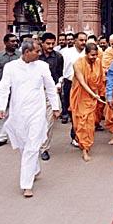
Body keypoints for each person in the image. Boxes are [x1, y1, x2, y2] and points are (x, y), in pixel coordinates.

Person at [0, 39, 60, 197]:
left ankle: (26, 185)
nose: (40, 54)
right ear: (26, 52)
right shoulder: (11, 67)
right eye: (36, 51)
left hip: (37, 112)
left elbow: (50, 87)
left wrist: (56, 107)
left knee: (32, 146)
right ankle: (35, 168)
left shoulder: (42, 67)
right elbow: (4, 88)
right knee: (25, 146)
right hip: (18, 113)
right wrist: (1, 107)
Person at [70, 43, 105, 161]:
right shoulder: (77, 64)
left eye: (96, 55)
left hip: (94, 97)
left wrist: (100, 94)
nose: (94, 57)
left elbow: (100, 79)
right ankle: (84, 149)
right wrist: (93, 94)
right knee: (82, 123)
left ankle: (86, 146)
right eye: (92, 55)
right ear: (86, 53)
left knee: (90, 124)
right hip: (81, 96)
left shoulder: (98, 61)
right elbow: (82, 82)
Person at [0, 33, 20, 147]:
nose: (15, 43)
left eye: (16, 41)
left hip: (17, 89)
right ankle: (2, 137)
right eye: (12, 41)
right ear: (5, 43)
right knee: (1, 113)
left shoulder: (20, 56)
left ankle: (16, 137)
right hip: (2, 89)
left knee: (16, 114)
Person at [38, 32, 64, 160]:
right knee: (36, 121)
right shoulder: (35, 56)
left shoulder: (58, 57)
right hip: (36, 92)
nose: (50, 46)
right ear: (41, 43)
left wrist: (59, 83)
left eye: (53, 43)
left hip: (51, 91)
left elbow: (60, 74)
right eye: (48, 43)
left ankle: (44, 148)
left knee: (49, 121)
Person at [61, 32, 87, 135]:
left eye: (85, 40)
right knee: (72, 109)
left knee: (83, 111)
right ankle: (75, 133)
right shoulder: (65, 52)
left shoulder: (88, 52)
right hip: (70, 84)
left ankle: (81, 134)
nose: (83, 42)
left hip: (84, 85)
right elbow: (61, 69)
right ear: (75, 40)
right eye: (81, 40)